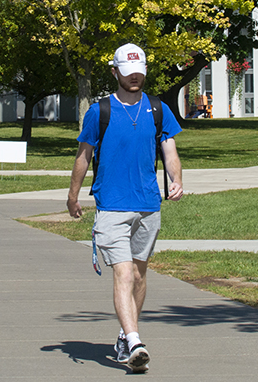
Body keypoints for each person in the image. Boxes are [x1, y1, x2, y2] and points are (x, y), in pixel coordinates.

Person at [67, 43, 184, 374]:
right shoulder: (99, 111)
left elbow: (170, 150)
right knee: (123, 271)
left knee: (138, 274)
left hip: (148, 204)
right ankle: (135, 341)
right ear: (115, 71)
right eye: (128, 73)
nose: (135, 78)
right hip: (112, 205)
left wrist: (175, 179)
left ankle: (124, 334)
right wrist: (73, 196)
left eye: (140, 73)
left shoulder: (158, 109)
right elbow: (83, 156)